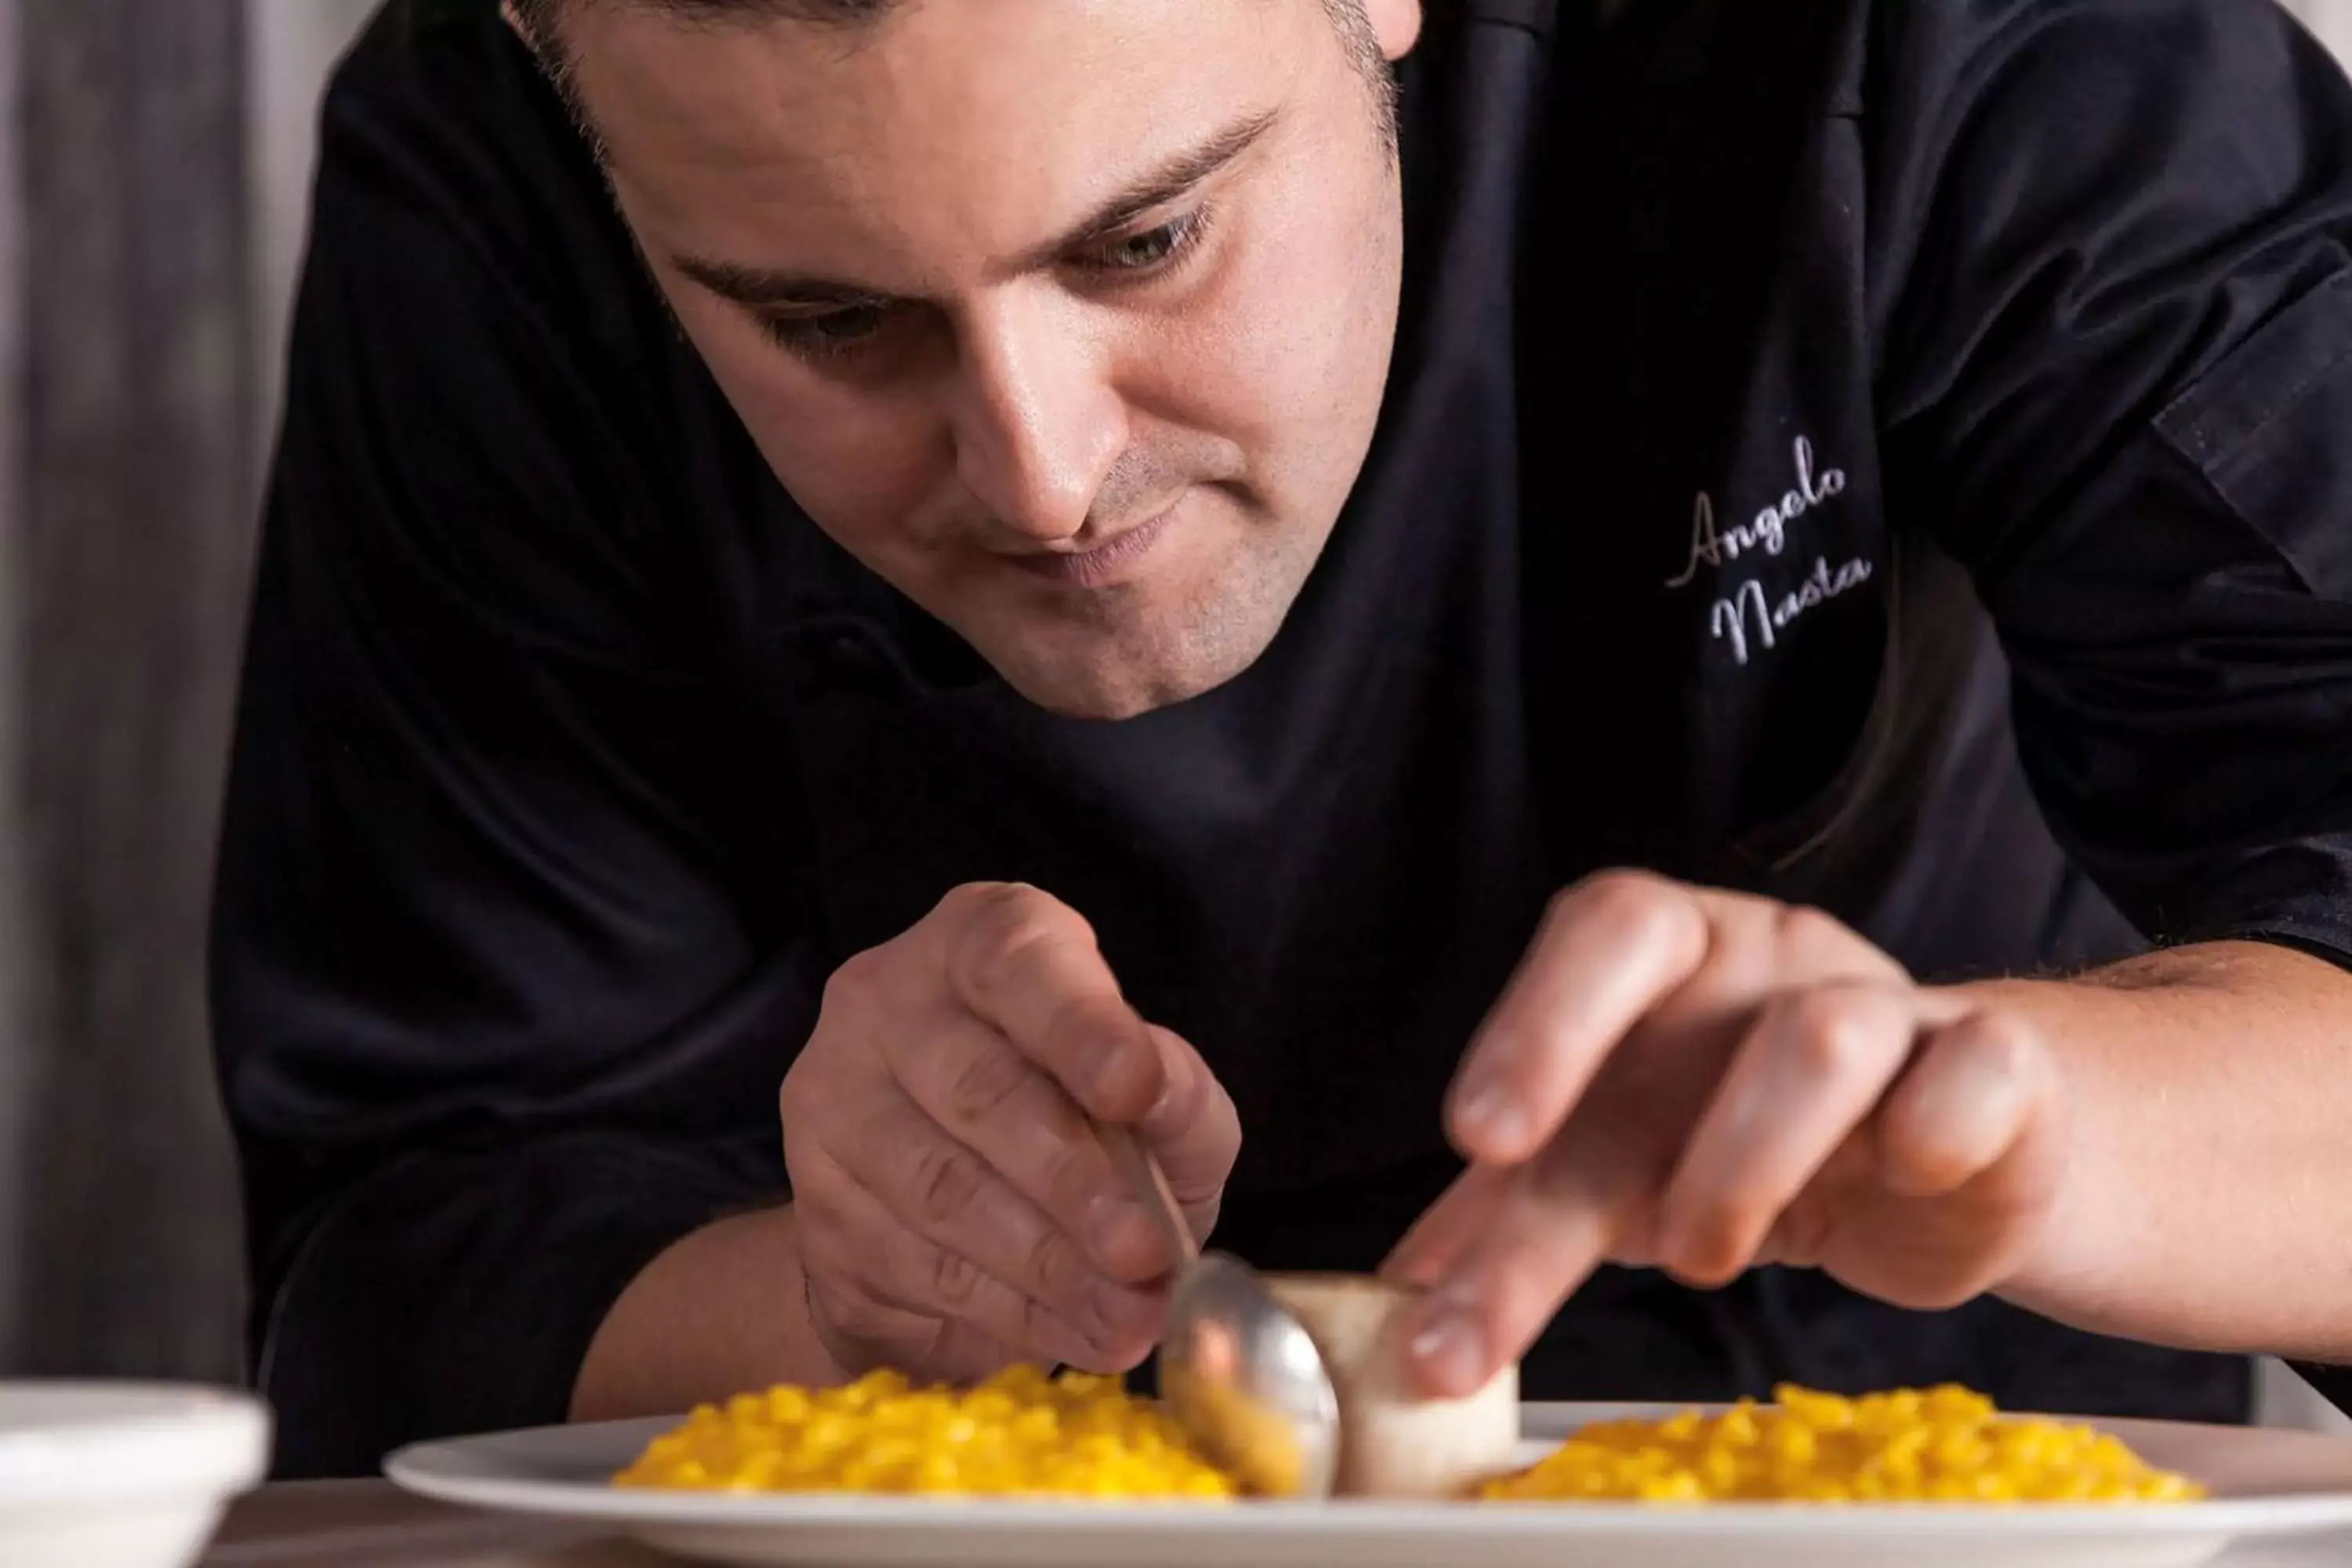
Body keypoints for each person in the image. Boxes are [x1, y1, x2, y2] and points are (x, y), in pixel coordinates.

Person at [212, 0, 2352, 1479]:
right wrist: (849, 1299)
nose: (1046, 479)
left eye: (1148, 238)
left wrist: (2023, 1129)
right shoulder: (498, 176)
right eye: (826, 322)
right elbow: (415, 1264)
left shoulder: (1958, 44)